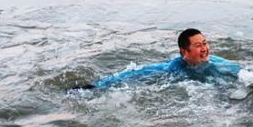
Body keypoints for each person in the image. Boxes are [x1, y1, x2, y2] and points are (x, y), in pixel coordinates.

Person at [91, 28, 242, 89]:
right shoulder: (174, 69)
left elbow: (239, 71)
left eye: (205, 43)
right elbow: (135, 75)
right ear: (184, 51)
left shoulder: (215, 61)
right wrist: (96, 87)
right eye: (198, 45)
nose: (204, 49)